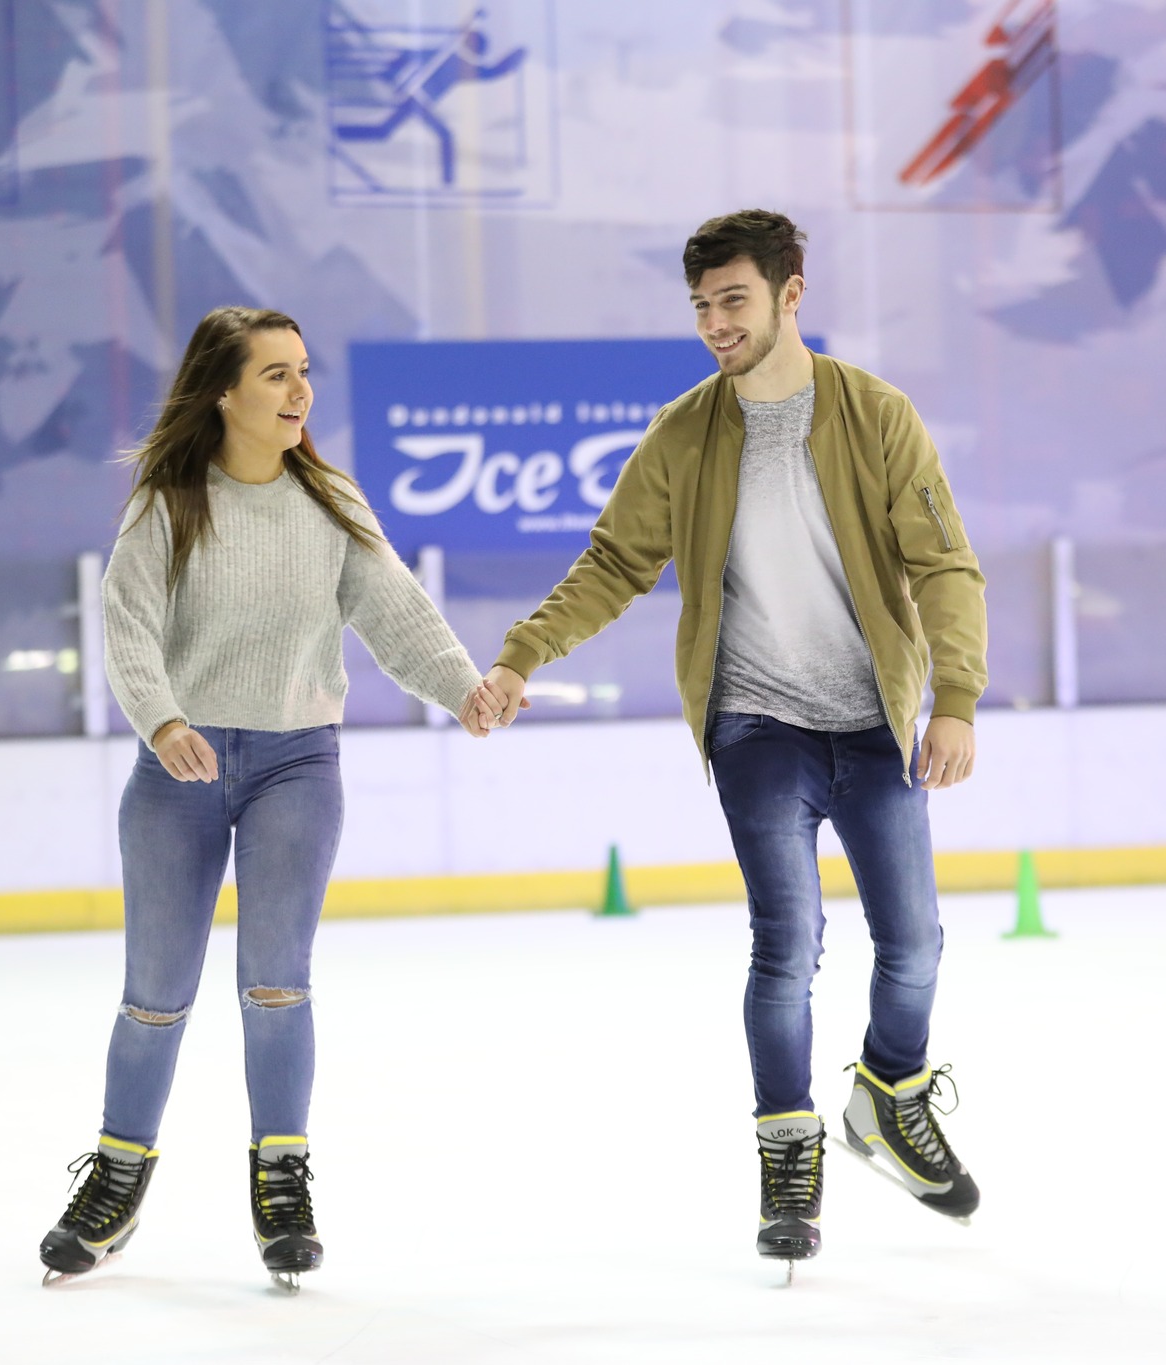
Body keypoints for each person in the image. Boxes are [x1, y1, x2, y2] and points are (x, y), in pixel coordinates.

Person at [465, 211, 989, 1267]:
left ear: (792, 294)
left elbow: (941, 563)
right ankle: (787, 1149)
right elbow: (615, 562)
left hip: (873, 722)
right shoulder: (685, 434)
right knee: (784, 943)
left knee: (915, 943)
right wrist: (523, 655)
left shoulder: (873, 415)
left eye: (732, 301)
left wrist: (955, 699)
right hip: (755, 722)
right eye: (701, 306)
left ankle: (887, 1094)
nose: (713, 323)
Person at [38, 306, 503, 1289]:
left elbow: (395, 613)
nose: (299, 394)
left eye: (302, 374)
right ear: (223, 392)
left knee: (275, 983)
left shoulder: (328, 501)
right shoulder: (168, 503)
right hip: (180, 770)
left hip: (298, 763)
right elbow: (126, 628)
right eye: (276, 376)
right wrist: (163, 720)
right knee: (155, 998)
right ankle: (116, 1180)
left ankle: (280, 1180)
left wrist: (461, 685)